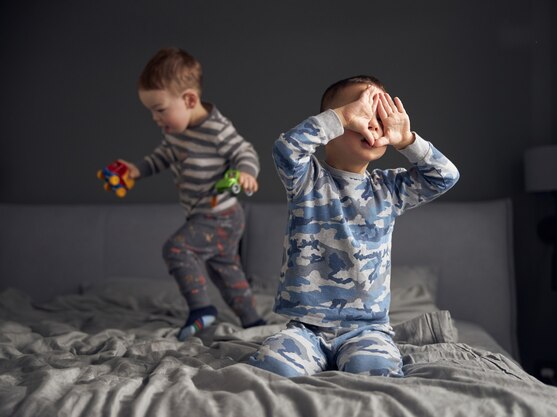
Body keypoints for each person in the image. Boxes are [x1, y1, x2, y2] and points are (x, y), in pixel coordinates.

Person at [247, 75, 459, 377]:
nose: (371, 124)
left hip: (367, 329)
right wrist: (341, 117)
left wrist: (407, 141)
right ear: (330, 127)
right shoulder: (306, 180)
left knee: (373, 372)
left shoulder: (389, 189)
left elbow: (445, 176)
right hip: (306, 328)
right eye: (358, 115)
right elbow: (286, 148)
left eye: (379, 118)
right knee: (272, 368)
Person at [118, 47, 265, 341]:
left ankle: (201, 309)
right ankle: (254, 321)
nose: (155, 118)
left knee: (177, 249)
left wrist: (247, 172)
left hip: (220, 214)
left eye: (159, 109)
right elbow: (163, 156)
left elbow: (244, 151)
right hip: (208, 216)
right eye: (151, 111)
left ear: (189, 100)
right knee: (226, 273)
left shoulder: (217, 129)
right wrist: (136, 170)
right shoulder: (176, 132)